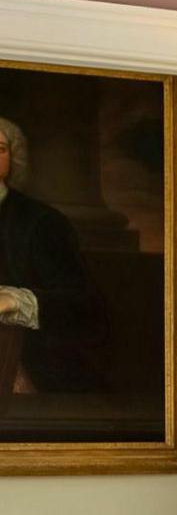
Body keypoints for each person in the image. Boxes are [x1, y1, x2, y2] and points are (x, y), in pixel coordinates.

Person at [0, 112, 100, 409]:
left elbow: (85, 310)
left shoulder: (42, 222)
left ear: (12, 157)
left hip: (27, 361)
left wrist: (15, 301)